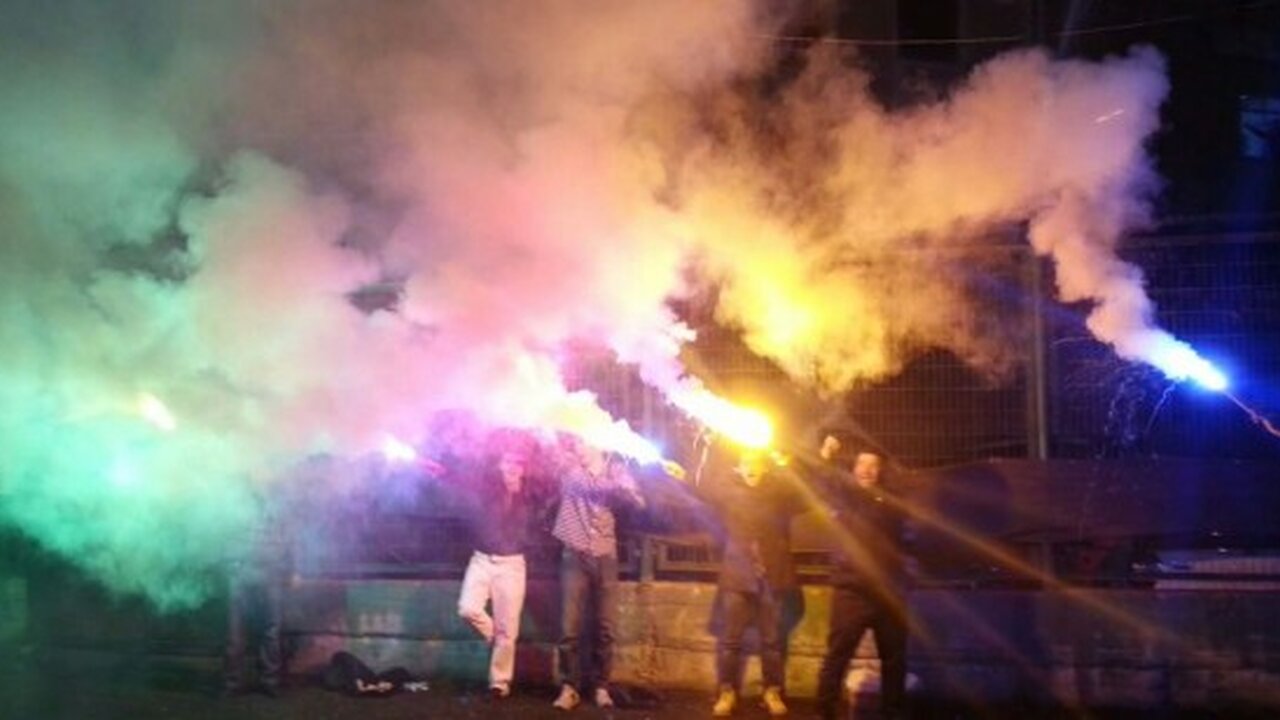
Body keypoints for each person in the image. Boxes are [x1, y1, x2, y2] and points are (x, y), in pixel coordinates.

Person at [689, 440, 808, 718]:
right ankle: (727, 691)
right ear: (738, 468)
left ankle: (772, 691)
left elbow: (805, 495)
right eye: (746, 463)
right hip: (737, 576)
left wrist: (792, 465)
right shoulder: (727, 490)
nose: (751, 468)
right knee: (730, 640)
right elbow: (700, 485)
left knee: (772, 641)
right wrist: (706, 447)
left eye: (756, 463)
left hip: (773, 575)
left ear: (765, 467)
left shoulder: (780, 491)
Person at [815, 436, 910, 720]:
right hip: (852, 592)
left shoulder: (893, 501)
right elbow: (822, 482)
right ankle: (824, 713)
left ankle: (893, 713)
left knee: (894, 660)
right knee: (837, 656)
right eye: (861, 464)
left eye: (873, 465)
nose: (867, 470)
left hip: (889, 595)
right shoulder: (844, 496)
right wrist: (826, 455)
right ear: (853, 468)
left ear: (881, 470)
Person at [550, 434, 645, 711]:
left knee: (605, 627)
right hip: (575, 554)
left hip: (605, 556)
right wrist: (615, 485)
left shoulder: (617, 471)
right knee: (569, 627)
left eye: (583, 442)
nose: (578, 447)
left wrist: (628, 491)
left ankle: (601, 686)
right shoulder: (570, 468)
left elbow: (639, 504)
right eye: (577, 442)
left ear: (599, 444)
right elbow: (580, 483)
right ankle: (569, 687)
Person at [455, 446, 537, 699]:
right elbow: (461, 479)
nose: (512, 467)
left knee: (508, 627)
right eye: (507, 461)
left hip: (512, 564)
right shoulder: (486, 489)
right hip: (481, 559)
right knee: (467, 608)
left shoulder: (532, 495)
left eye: (517, 463)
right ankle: (497, 638)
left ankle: (499, 683)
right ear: (499, 465)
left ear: (524, 470)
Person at [223, 491, 291, 698]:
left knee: (270, 632)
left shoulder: (278, 510)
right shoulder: (235, 509)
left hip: (269, 576)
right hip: (243, 577)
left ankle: (269, 682)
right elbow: (223, 540)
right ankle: (233, 683)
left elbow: (289, 540)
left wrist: (290, 569)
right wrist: (232, 566)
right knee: (236, 634)